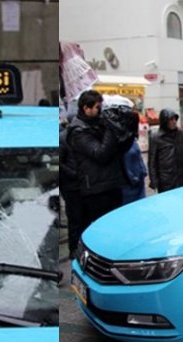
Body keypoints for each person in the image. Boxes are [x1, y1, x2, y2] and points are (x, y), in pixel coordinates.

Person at [67, 90, 130, 233]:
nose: (100, 111)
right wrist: (110, 127)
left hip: (112, 183)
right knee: (104, 230)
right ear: (86, 108)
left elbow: (120, 148)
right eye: (97, 107)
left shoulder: (99, 123)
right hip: (96, 189)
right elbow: (101, 154)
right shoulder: (78, 131)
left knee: (117, 227)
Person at [148, 109, 183, 193]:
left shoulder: (181, 134)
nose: (174, 122)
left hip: (182, 178)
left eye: (175, 119)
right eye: (171, 119)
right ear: (164, 121)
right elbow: (152, 162)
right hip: (166, 180)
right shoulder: (156, 138)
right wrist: (154, 181)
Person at [59, 114, 82, 259]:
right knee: (74, 220)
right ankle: (73, 250)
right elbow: (60, 163)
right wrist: (74, 174)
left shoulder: (80, 136)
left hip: (83, 185)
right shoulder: (64, 138)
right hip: (72, 186)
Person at [121, 110, 147, 204]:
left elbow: (138, 157)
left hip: (139, 182)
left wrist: (143, 171)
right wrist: (132, 178)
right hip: (129, 185)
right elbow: (123, 163)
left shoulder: (133, 140)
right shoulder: (122, 142)